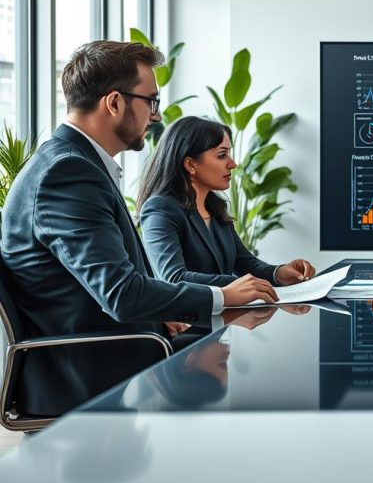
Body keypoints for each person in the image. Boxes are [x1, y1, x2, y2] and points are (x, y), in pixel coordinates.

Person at [0, 40, 278, 415]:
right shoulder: (68, 173)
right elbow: (121, 295)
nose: (157, 116)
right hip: (86, 373)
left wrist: (159, 312)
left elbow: (105, 283)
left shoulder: (73, 164)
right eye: (151, 101)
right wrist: (224, 296)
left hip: (104, 354)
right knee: (257, 384)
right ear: (114, 103)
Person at [137, 116, 315, 287]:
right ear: (190, 164)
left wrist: (279, 273)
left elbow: (244, 263)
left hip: (222, 316)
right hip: (185, 317)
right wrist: (240, 284)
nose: (233, 164)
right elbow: (174, 278)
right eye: (222, 155)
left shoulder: (215, 209)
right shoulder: (160, 208)